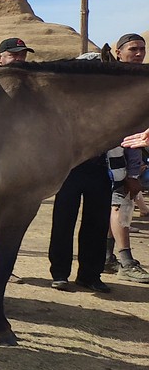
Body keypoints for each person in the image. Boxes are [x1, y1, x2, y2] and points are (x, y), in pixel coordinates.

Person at [47, 54, 112, 294]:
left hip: (99, 168)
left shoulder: (108, 102)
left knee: (97, 223)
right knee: (63, 221)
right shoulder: (65, 102)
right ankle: (60, 273)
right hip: (70, 169)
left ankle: (90, 275)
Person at [105, 33, 148, 283]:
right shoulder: (111, 82)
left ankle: (108, 257)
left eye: (142, 49)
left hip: (130, 154)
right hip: (111, 156)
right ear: (119, 53)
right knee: (120, 204)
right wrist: (132, 173)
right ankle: (126, 260)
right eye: (133, 49)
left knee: (117, 204)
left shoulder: (140, 81)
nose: (140, 53)